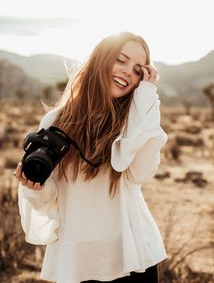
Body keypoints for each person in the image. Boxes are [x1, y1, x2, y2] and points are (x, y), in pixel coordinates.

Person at [15, 31, 168, 283]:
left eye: (138, 70)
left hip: (129, 255)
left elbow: (140, 173)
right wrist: (35, 187)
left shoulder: (137, 119)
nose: (128, 71)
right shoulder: (56, 122)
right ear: (101, 60)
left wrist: (147, 97)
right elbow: (51, 197)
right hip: (78, 259)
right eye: (121, 60)